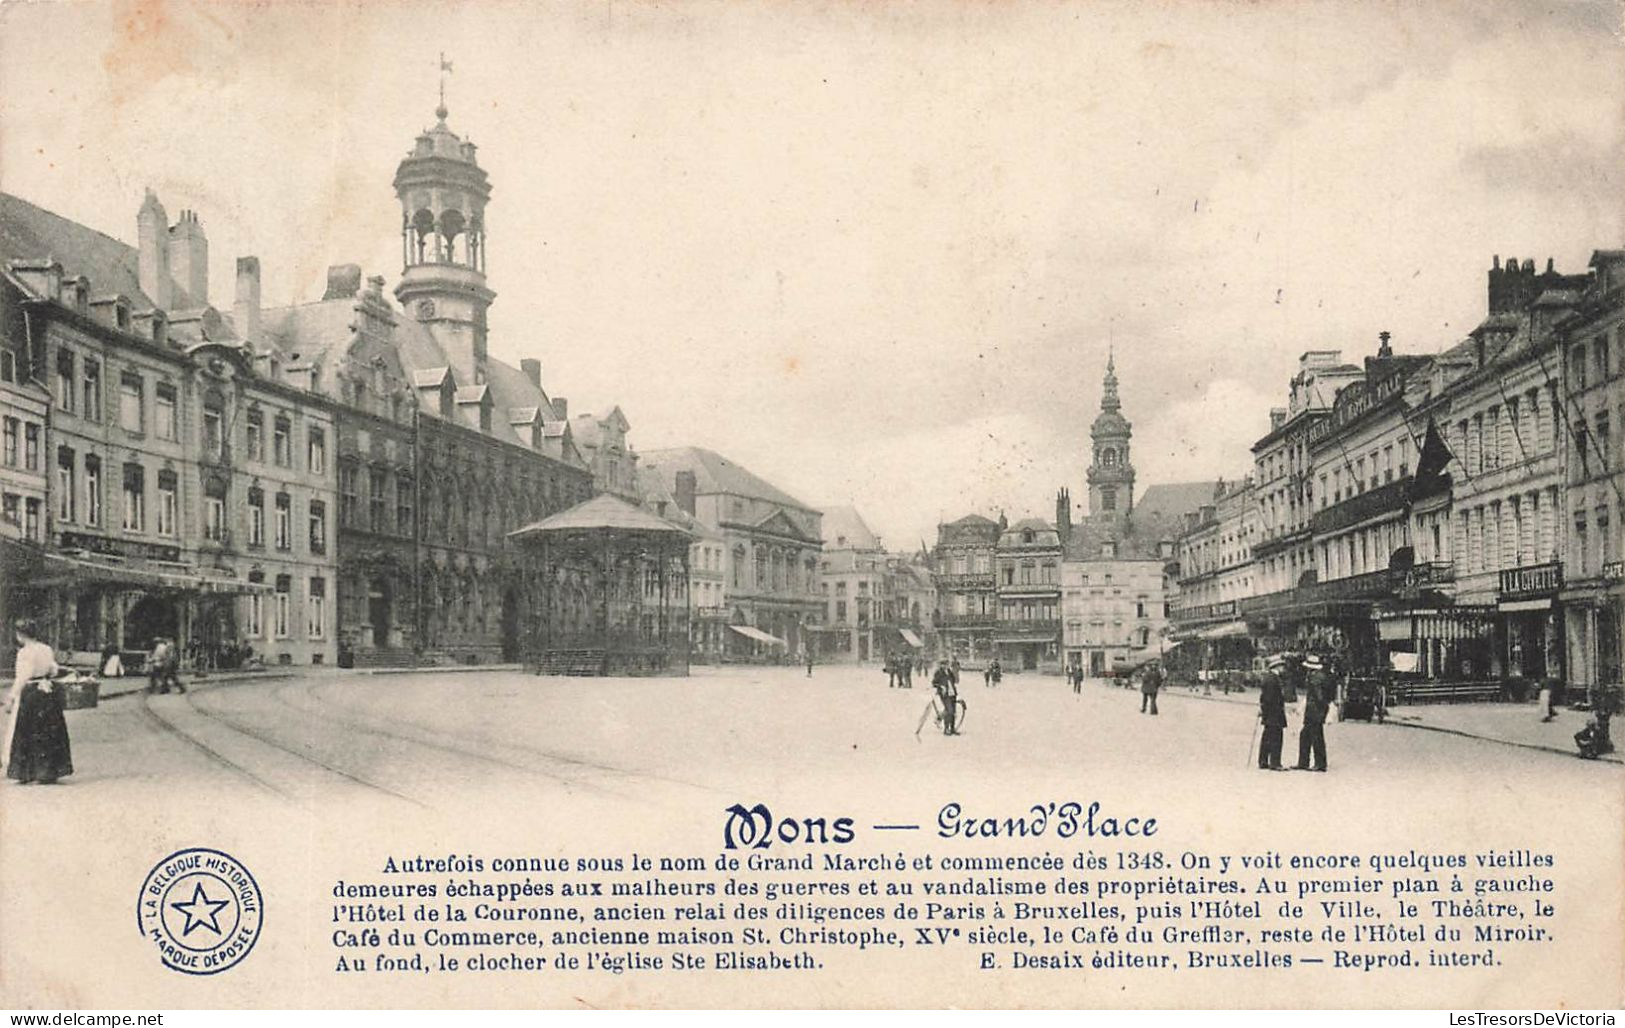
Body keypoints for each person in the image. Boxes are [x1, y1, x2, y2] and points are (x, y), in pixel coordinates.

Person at [4, 618, 73, 785]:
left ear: (20, 635)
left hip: (31, 693)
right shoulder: (46, 648)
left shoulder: (25, 652)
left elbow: (23, 676)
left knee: (28, 730)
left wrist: (11, 696)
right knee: (48, 730)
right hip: (46, 691)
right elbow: (53, 669)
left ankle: (27, 771)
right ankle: (48, 771)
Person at [1295, 656, 1330, 771]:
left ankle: (1318, 764)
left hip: (1314, 712)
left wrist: (1320, 708)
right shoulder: (1320, 676)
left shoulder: (1315, 678)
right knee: (1308, 735)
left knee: (1314, 737)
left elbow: (1318, 695)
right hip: (1315, 711)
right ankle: (1306, 762)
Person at [1257, 655, 1289, 770]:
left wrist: (1263, 709)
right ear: (1277, 667)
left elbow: (1263, 697)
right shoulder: (1273, 679)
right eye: (1282, 666)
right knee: (1276, 737)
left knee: (1267, 737)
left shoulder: (1268, 677)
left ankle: (1263, 761)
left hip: (1269, 713)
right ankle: (1275, 763)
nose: (1283, 669)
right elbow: (1270, 698)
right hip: (1274, 713)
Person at [932, 659, 960, 736]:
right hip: (944, 694)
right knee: (949, 711)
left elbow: (954, 681)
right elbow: (934, 683)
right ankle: (946, 729)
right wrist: (941, 686)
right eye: (943, 664)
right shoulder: (938, 672)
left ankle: (952, 728)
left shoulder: (949, 672)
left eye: (946, 664)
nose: (945, 666)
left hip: (952, 693)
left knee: (953, 712)